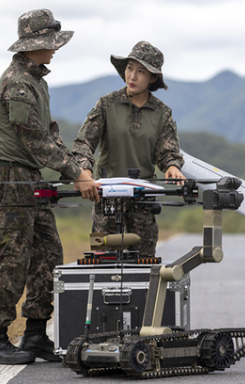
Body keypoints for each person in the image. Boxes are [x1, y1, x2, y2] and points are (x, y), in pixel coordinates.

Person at [0, 9, 87, 365]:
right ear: (33, 45)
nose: (55, 50)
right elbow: (34, 141)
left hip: (30, 179)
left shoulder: (37, 80)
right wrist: (76, 174)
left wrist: (78, 167)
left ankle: (36, 334)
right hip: (10, 179)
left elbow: (50, 133)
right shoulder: (18, 84)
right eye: (50, 44)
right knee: (12, 260)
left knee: (47, 255)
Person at [72, 41, 185, 258]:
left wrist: (172, 166)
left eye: (141, 71)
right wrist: (84, 170)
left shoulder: (163, 113)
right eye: (130, 68)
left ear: (153, 78)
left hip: (143, 200)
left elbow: (168, 151)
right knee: (99, 262)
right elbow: (84, 143)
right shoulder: (107, 104)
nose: (132, 76)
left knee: (144, 267)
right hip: (105, 198)